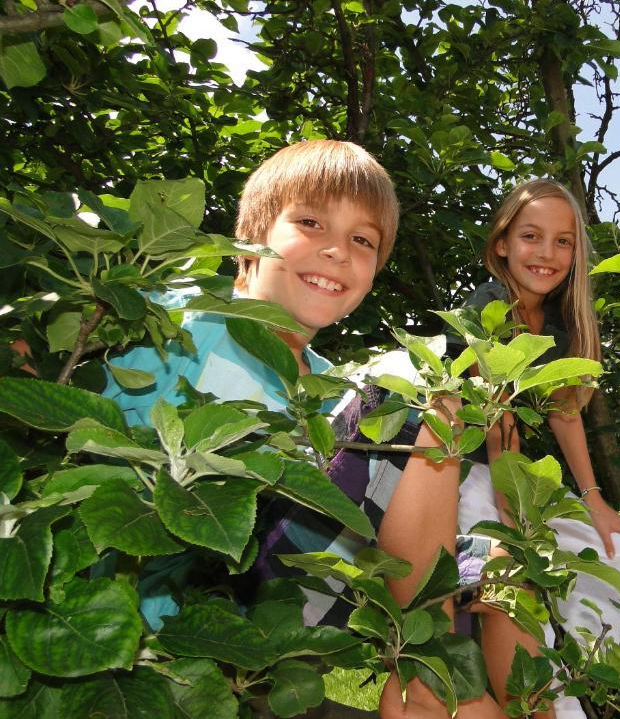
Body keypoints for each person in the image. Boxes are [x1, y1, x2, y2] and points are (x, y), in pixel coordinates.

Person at [100, 140, 503, 719]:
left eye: (363, 241)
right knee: (413, 394)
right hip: (189, 594)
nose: (337, 251)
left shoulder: (321, 385)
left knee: (491, 559)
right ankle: (426, 679)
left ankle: (462, 686)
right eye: (311, 222)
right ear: (253, 236)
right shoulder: (180, 318)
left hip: (262, 614)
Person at [456, 178, 620, 718]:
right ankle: (550, 707)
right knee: (516, 580)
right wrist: (522, 533)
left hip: (517, 478)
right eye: (532, 236)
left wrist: (595, 500)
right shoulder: (488, 310)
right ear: (502, 243)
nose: (548, 253)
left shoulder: (555, 317)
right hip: (455, 475)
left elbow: (564, 411)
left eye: (564, 241)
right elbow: (498, 432)